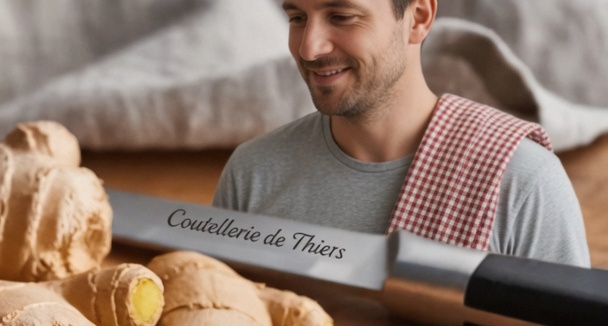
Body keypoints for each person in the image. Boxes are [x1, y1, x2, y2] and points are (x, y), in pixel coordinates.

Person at [213, 0, 592, 267]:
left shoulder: (523, 183)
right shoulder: (252, 173)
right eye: (297, 18)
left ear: (418, 18)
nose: (309, 48)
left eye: (341, 16)